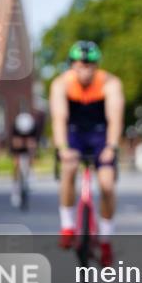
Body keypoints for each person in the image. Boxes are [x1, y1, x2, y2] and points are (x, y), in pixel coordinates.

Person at [49, 41, 125, 267]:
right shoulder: (60, 84)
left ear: (96, 66)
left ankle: (105, 241)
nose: (85, 71)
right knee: (69, 168)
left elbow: (115, 118)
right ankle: (68, 225)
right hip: (74, 134)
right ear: (72, 65)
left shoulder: (110, 83)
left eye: (90, 66)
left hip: (100, 135)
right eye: (80, 66)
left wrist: (111, 147)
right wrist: (63, 149)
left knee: (107, 185)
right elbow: (59, 119)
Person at [9, 111, 39, 207]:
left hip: (28, 148)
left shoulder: (33, 128)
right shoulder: (15, 128)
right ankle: (15, 189)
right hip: (17, 149)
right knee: (16, 165)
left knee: (31, 158)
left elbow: (33, 143)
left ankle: (30, 175)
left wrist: (32, 156)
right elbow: (15, 144)